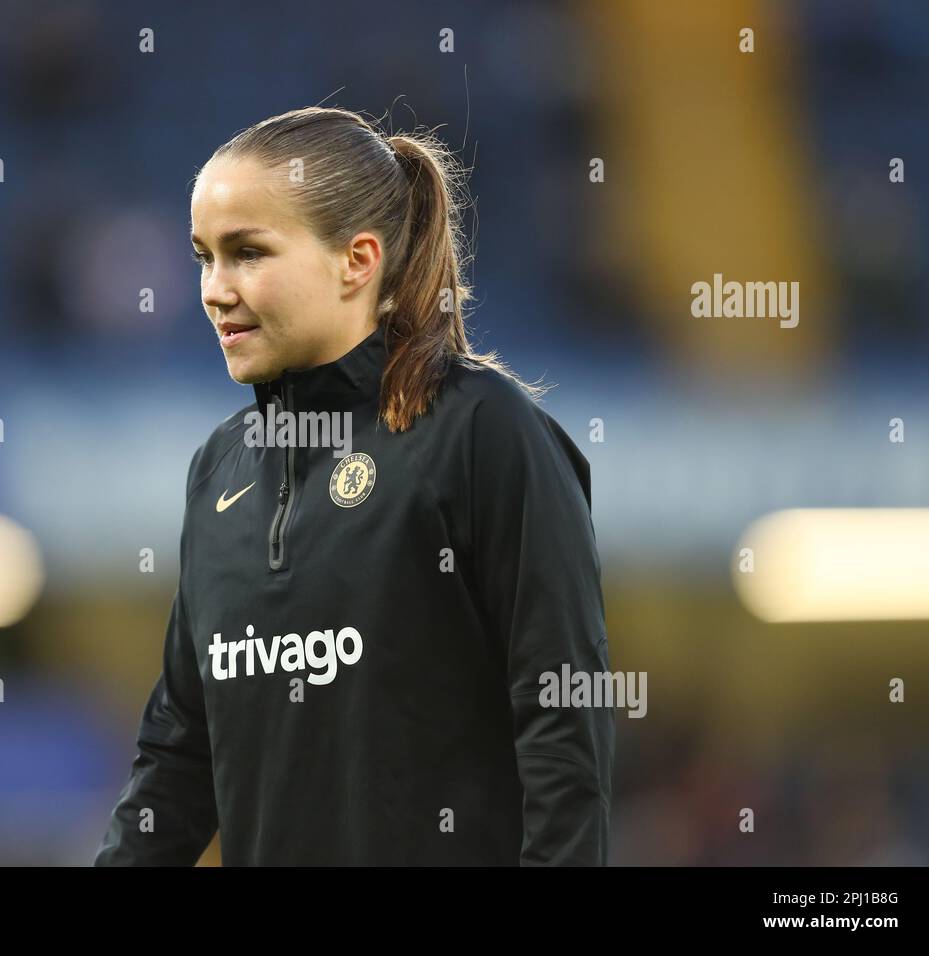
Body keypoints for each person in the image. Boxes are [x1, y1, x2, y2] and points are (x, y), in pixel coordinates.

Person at [94, 106, 614, 866]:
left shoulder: (479, 432)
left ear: (358, 260)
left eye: (247, 253)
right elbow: (178, 755)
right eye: (203, 257)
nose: (214, 289)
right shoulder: (220, 469)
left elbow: (564, 721)